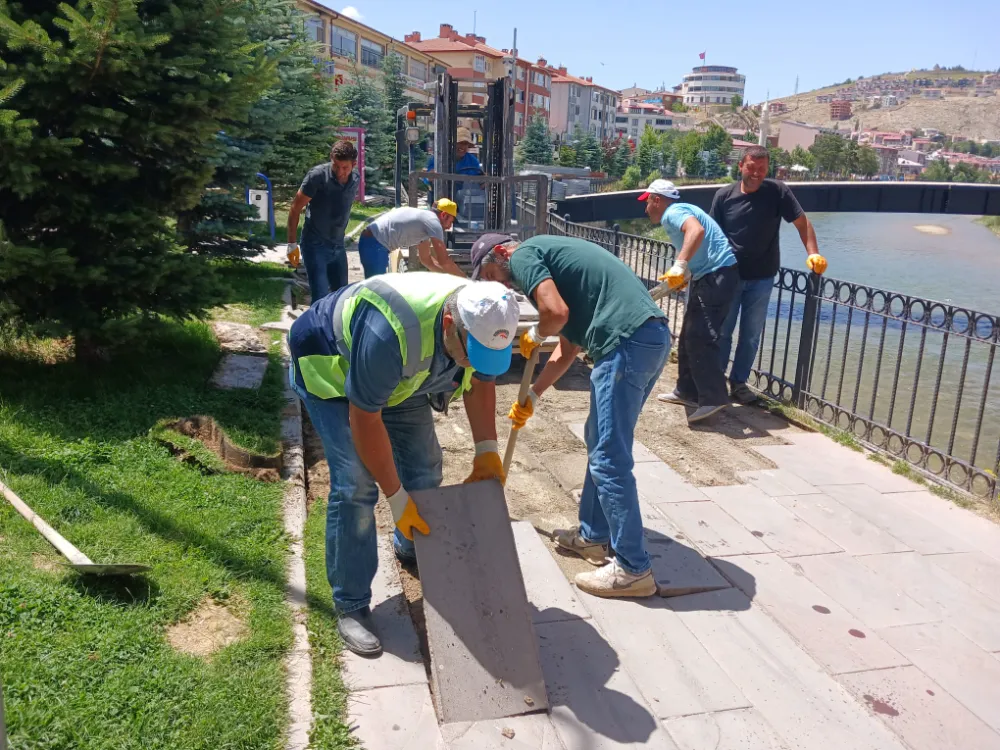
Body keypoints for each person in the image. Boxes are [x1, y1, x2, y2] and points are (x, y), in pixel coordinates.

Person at [288, 273, 520, 655]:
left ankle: (409, 543)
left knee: (425, 467)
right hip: (332, 369)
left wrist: (486, 450)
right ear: (450, 325)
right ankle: (351, 604)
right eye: (469, 354)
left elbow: (479, 380)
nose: (472, 363)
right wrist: (395, 497)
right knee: (356, 485)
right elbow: (365, 418)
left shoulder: (483, 318)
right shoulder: (390, 334)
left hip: (400, 378)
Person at [471, 235, 670, 599]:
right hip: (646, 338)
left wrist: (533, 330)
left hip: (625, 343)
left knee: (610, 458)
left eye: (490, 274)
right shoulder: (552, 263)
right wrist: (532, 395)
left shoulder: (525, 255)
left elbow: (555, 315)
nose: (496, 284)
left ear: (501, 253)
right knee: (601, 445)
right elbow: (568, 345)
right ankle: (593, 537)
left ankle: (633, 569)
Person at [710, 145, 828, 404]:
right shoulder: (723, 196)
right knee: (723, 332)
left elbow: (802, 223)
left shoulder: (777, 192)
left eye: (762, 169)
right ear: (741, 166)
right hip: (729, 277)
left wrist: (813, 253)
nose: (756, 174)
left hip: (762, 278)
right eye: (752, 168)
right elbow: (711, 237)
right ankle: (715, 382)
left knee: (751, 335)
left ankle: (739, 384)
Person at [640, 179, 740, 424]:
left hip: (718, 276)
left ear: (657, 199)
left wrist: (680, 265)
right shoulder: (680, 210)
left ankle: (714, 398)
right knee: (688, 335)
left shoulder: (673, 212)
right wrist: (685, 275)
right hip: (712, 275)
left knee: (700, 336)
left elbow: (696, 232)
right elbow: (699, 243)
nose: (645, 209)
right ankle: (686, 391)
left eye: (648, 203)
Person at [286, 140, 360, 301]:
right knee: (320, 297)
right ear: (331, 159)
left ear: (353, 164)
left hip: (338, 244)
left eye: (345, 167)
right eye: (336, 166)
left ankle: (336, 327)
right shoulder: (317, 176)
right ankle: (316, 326)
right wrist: (292, 244)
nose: (340, 172)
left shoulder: (355, 179)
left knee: (342, 297)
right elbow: (295, 208)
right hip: (315, 245)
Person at [357, 200, 464, 278]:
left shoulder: (424, 222)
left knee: (376, 290)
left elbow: (426, 260)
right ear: (444, 215)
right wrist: (466, 282)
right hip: (375, 243)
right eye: (451, 221)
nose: (450, 226)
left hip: (373, 242)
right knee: (375, 292)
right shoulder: (433, 222)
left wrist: (448, 278)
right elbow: (443, 260)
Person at [425, 126, 485, 203]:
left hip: (465, 200)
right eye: (460, 143)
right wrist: (430, 178)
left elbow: (478, 180)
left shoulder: (473, 160)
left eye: (465, 144)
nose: (463, 146)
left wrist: (483, 182)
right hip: (443, 198)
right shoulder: (439, 158)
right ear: (453, 144)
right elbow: (427, 178)